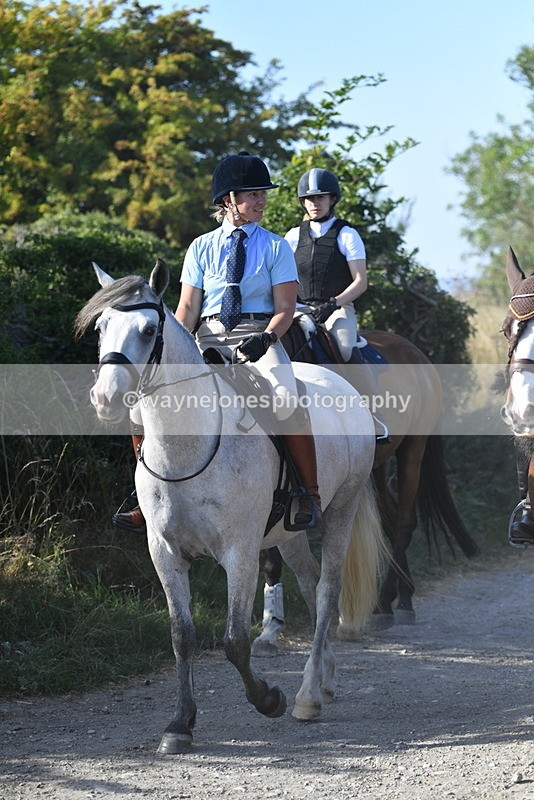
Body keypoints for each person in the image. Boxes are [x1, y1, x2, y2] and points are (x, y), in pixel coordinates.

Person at [113, 152, 323, 534]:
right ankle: (143, 494)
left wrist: (267, 338)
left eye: (263, 194)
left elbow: (286, 308)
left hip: (258, 336)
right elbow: (188, 307)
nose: (262, 200)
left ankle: (308, 493)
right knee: (141, 407)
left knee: (286, 396)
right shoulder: (200, 247)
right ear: (228, 200)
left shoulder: (276, 247)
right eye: (253, 194)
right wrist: (175, 348)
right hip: (204, 339)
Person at [285, 167, 388, 440]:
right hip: (300, 309)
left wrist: (334, 303)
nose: (313, 203)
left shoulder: (347, 235)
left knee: (343, 348)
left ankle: (372, 415)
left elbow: (360, 282)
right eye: (308, 199)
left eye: (320, 198)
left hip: (337, 308)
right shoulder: (293, 236)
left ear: (332, 200)